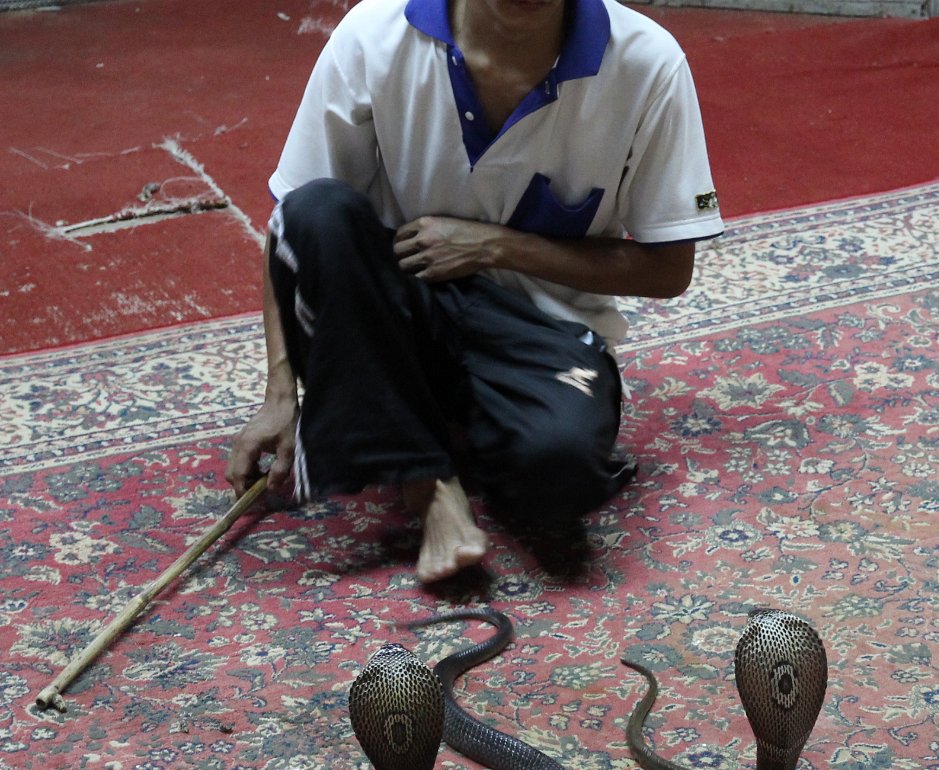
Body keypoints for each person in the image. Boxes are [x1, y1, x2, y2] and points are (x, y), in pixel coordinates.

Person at [226, 0, 723, 580]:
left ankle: (407, 420)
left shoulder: (649, 63)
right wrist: (280, 392)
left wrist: (494, 247)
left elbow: (668, 269)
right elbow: (292, 223)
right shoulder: (374, 33)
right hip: (399, 310)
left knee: (558, 474)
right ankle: (429, 484)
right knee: (318, 210)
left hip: (542, 331)